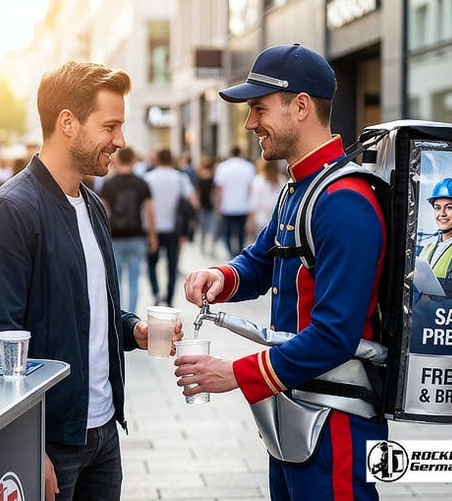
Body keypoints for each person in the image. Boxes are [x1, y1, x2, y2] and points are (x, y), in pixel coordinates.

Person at [180, 44, 387, 501]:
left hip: (336, 425)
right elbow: (262, 260)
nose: (250, 123)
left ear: (300, 106)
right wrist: (223, 276)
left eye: (259, 108)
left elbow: (334, 336)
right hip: (296, 413)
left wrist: (236, 373)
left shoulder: (344, 202)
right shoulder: (301, 186)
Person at [0, 61, 180, 501]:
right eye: (110, 126)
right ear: (67, 122)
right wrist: (27, 444)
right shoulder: (10, 212)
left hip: (103, 434)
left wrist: (134, 330)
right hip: (50, 443)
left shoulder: (93, 205)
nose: (120, 141)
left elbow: (87, 309)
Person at [99, 147, 156, 313]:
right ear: (133, 160)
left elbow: (102, 211)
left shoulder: (109, 183)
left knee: (115, 280)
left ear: (118, 160)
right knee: (134, 279)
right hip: (136, 236)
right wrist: (152, 235)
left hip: (114, 236)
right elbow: (149, 211)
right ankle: (131, 315)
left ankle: (118, 315)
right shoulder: (141, 183)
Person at [142, 148, 197, 307]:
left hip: (152, 228)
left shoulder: (147, 177)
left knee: (152, 263)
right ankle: (170, 298)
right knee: (172, 266)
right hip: (175, 229)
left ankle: (156, 293)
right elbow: (193, 202)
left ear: (157, 159)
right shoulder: (180, 178)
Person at [419, 177, 452, 297]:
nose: (442, 214)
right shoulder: (427, 248)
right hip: (424, 314)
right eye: (437, 208)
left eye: (449, 207)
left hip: (446, 314)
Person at [215, 146, 256, 256]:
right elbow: (251, 188)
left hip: (227, 206)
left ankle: (231, 253)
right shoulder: (248, 167)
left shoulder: (223, 167)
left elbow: (219, 189)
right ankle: (238, 252)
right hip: (243, 205)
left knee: (227, 232)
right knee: (241, 232)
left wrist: (218, 205)